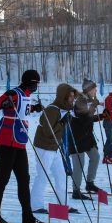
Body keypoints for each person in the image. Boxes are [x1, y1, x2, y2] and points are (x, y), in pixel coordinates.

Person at [0, 69, 47, 223]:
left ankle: (28, 217)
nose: (36, 87)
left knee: (24, 179)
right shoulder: (13, 93)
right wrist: (3, 104)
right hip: (5, 141)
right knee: (2, 180)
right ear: (29, 83)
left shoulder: (25, 95)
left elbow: (21, 109)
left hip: (19, 142)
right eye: (35, 84)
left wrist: (34, 108)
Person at [30, 83, 78, 212]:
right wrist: (62, 123)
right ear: (63, 96)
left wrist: (65, 120)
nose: (73, 99)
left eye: (74, 96)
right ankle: (36, 205)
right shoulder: (52, 109)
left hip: (54, 147)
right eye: (70, 96)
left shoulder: (62, 110)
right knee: (43, 175)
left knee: (61, 175)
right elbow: (48, 130)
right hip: (44, 146)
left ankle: (63, 205)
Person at [69, 79, 102, 199]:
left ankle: (90, 183)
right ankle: (76, 190)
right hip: (77, 137)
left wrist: (100, 114)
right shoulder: (80, 101)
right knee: (79, 163)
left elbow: (89, 117)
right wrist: (95, 108)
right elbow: (85, 117)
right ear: (88, 90)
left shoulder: (88, 100)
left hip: (87, 136)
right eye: (94, 89)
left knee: (95, 157)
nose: (96, 91)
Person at [101, 87, 112, 164]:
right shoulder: (109, 98)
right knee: (110, 139)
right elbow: (110, 108)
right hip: (108, 121)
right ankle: (107, 157)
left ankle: (108, 155)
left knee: (111, 139)